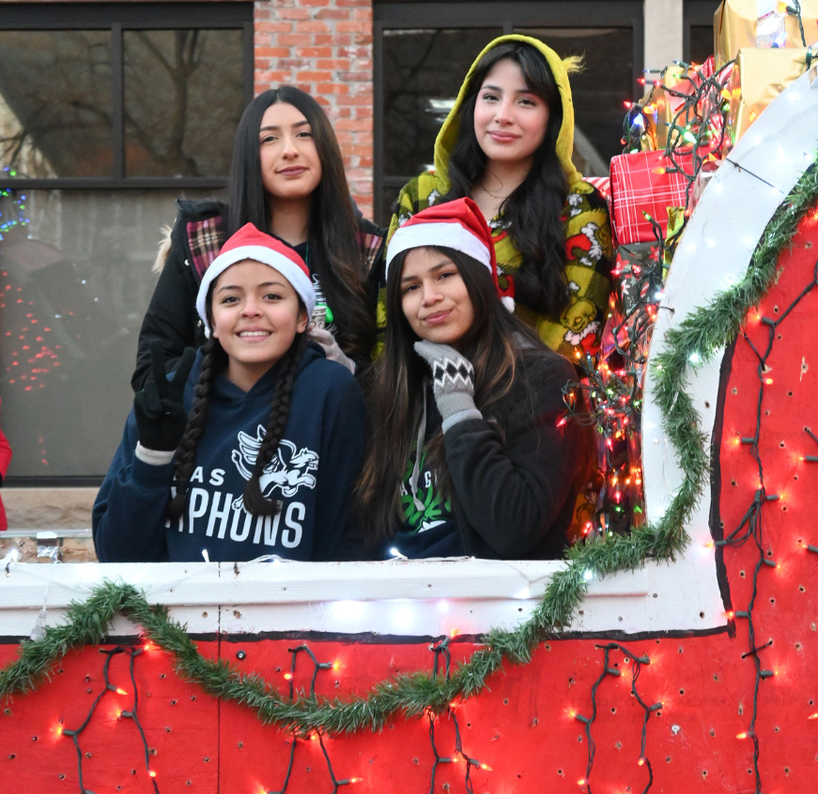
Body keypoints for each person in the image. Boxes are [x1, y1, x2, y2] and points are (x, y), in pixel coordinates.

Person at [95, 224, 367, 563]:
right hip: (172, 615)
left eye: (272, 296)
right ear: (211, 317)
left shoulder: (331, 392)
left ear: (302, 317)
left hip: (297, 612)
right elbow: (117, 557)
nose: (250, 310)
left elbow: (351, 540)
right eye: (231, 299)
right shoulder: (169, 394)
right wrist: (152, 457)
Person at [358, 198, 586, 560]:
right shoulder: (391, 390)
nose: (429, 298)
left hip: (500, 607)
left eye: (445, 275)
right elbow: (365, 530)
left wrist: (458, 408)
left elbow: (514, 529)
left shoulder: (542, 379)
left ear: (478, 279)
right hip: (398, 604)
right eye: (410, 287)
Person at [133, 87, 385, 390]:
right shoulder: (205, 242)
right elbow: (153, 368)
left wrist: (347, 370)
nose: (289, 150)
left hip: (335, 430)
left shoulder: (368, 251)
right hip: (222, 431)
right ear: (249, 156)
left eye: (304, 134)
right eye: (269, 138)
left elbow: (396, 376)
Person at [384, 35, 612, 363]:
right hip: (420, 396)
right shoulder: (422, 196)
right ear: (470, 103)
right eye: (491, 97)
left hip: (528, 401)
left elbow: (574, 342)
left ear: (553, 118)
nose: (502, 115)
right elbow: (385, 313)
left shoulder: (578, 206)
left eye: (526, 101)